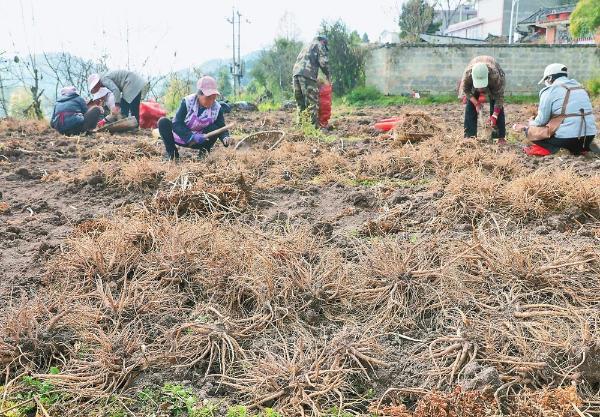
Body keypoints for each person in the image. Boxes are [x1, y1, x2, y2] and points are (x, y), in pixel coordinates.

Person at [513, 63, 597, 156]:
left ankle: (558, 150)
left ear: (549, 78)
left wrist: (529, 124)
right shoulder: (581, 88)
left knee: (530, 132)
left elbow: (541, 121)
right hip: (588, 138)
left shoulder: (550, 90)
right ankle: (581, 149)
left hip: (567, 140)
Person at [157, 76, 231, 160]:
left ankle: (204, 153)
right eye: (208, 98)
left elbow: (221, 126)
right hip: (181, 136)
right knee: (163, 122)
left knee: (214, 128)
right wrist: (191, 136)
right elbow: (177, 123)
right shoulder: (188, 102)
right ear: (199, 94)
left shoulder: (217, 108)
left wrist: (225, 137)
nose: (211, 101)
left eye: (213, 98)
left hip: (200, 140)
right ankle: (172, 154)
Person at [459, 56, 506, 144]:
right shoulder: (468, 75)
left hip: (493, 78)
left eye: (482, 86)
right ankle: (469, 136)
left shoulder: (495, 76)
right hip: (472, 78)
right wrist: (476, 103)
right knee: (470, 106)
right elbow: (466, 90)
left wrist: (494, 115)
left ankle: (499, 137)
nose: (480, 89)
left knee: (496, 105)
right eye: (479, 86)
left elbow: (499, 97)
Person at [292, 35, 331, 127]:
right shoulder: (319, 44)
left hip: (296, 74)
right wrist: (328, 75)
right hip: (307, 74)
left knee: (300, 103)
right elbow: (324, 63)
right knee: (312, 102)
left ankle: (300, 127)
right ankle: (313, 128)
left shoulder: (307, 45)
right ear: (324, 42)